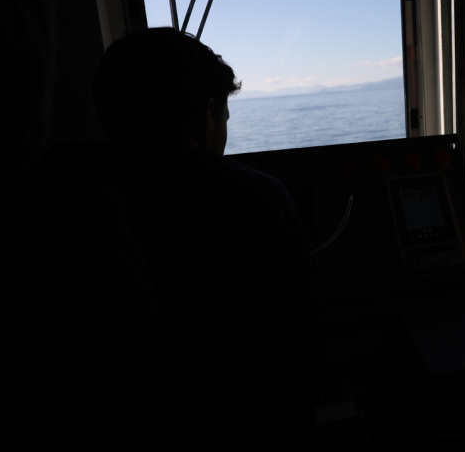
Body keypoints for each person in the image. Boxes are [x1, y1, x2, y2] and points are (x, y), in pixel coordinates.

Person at [92, 27, 312, 449]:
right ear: (207, 117)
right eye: (225, 117)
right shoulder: (259, 200)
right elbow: (293, 351)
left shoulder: (65, 198)